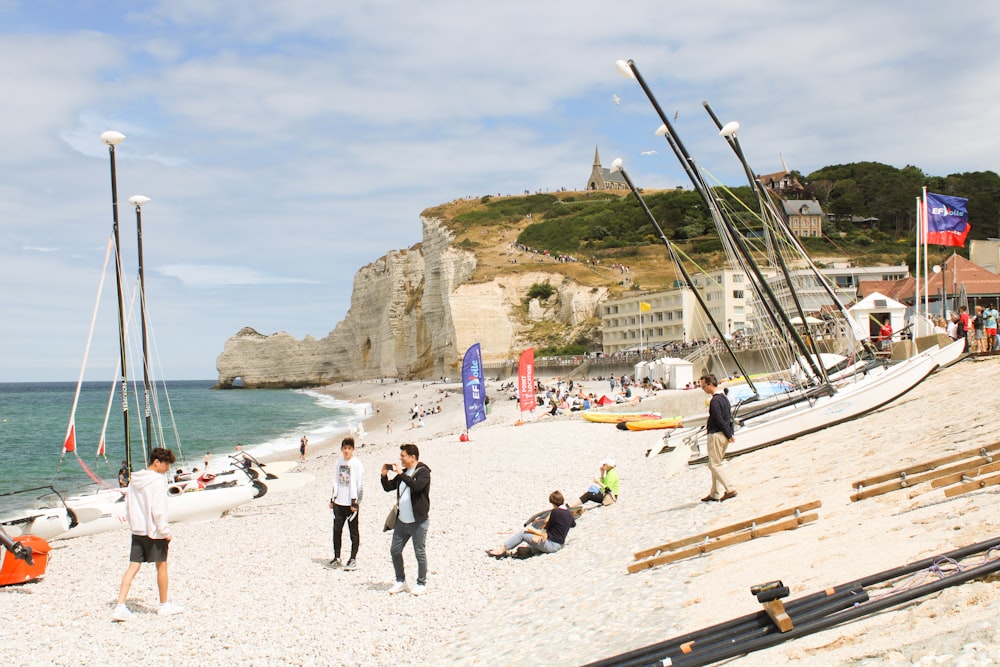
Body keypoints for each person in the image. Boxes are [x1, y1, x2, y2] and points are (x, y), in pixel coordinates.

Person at [112, 447, 183, 621]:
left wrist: (133, 523)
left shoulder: (135, 479)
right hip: (154, 530)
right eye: (166, 464)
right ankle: (164, 605)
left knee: (133, 566)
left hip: (138, 529)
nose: (167, 468)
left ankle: (120, 606)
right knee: (162, 565)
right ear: (156, 462)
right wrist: (165, 531)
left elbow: (128, 504)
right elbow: (157, 509)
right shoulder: (157, 480)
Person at [381, 443, 431, 596]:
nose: (400, 459)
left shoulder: (423, 472)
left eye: (403, 456)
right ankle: (400, 581)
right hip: (402, 521)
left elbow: (416, 487)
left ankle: (421, 583)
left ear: (412, 457)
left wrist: (401, 474)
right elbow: (389, 487)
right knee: (395, 550)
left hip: (418, 521)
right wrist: (383, 475)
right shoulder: (404, 472)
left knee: (419, 552)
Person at [487, 491, 576, 557]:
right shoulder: (569, 513)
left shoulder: (556, 512)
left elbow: (546, 528)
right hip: (559, 543)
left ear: (552, 502)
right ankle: (507, 549)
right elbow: (573, 524)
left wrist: (550, 515)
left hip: (552, 545)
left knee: (523, 533)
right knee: (532, 535)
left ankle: (502, 550)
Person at [328, 437, 364, 571]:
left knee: (353, 532)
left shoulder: (357, 463)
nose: (346, 451)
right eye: (345, 448)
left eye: (349, 448)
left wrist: (356, 503)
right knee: (337, 531)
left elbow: (359, 484)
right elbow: (335, 481)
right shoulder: (339, 462)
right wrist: (332, 499)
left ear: (353, 449)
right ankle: (337, 557)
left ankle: (353, 559)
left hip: (351, 503)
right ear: (341, 449)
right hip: (339, 503)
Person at [700, 374, 736, 503]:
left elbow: (720, 420)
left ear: (710, 384)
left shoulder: (715, 401)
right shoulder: (724, 398)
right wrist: (730, 434)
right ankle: (714, 493)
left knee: (714, 464)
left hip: (716, 434)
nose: (702, 389)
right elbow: (729, 418)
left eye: (703, 386)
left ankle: (730, 488)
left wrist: (728, 434)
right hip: (723, 434)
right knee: (715, 464)